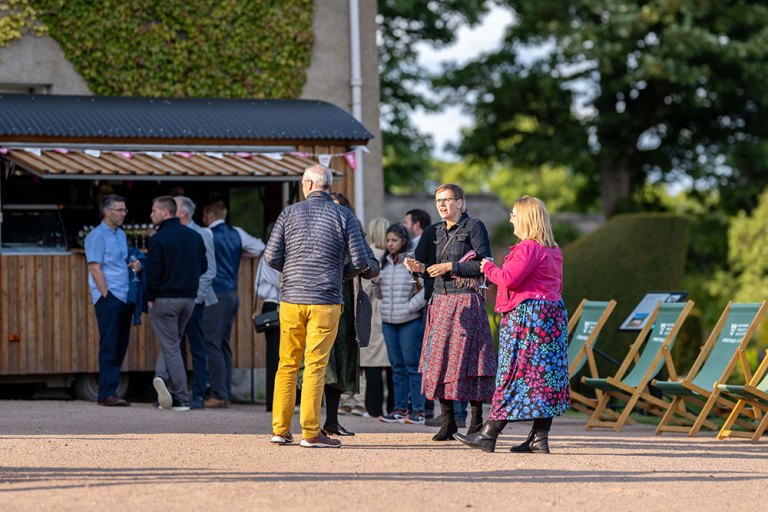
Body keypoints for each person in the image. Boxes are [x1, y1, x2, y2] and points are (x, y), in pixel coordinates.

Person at [265, 164, 372, 448]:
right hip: (326, 299)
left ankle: (280, 429)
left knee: (287, 364)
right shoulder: (343, 215)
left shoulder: (288, 213)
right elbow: (361, 262)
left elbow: (270, 257)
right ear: (325, 184)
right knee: (315, 365)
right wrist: (340, 276)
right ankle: (311, 432)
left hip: (291, 299)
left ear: (307, 184)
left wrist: (292, 271)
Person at [454, 196, 569, 454]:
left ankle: (489, 433)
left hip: (528, 317)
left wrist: (486, 266)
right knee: (545, 377)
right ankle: (539, 438)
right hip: (552, 315)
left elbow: (509, 279)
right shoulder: (553, 249)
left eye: (514, 215)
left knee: (514, 373)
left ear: (526, 219)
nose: (511, 219)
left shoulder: (528, 248)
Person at [405, 184, 496, 441]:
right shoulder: (432, 231)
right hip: (440, 301)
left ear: (460, 202)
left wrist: (450, 266)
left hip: (467, 301)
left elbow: (483, 264)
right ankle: (448, 423)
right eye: (437, 200)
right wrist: (415, 266)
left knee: (470, 362)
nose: (441, 205)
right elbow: (422, 265)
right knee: (439, 361)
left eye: (446, 200)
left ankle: (476, 421)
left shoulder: (474, 226)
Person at [297, 191, 379, 437]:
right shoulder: (310, 231)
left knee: (338, 363)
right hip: (313, 301)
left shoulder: (354, 232)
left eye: (338, 208)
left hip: (344, 306)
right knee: (314, 362)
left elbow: (372, 265)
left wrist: (351, 269)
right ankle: (308, 423)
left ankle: (331, 420)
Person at [146, 196, 207, 411]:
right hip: (189, 300)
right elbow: (204, 266)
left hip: (164, 299)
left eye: (153, 210)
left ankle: (181, 396)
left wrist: (149, 297)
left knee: (171, 345)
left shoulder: (157, 239)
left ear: (164, 213)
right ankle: (161, 377)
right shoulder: (194, 236)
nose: (151, 214)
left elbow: (153, 273)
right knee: (172, 340)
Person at [202, 200, 265, 408]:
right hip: (232, 293)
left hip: (215, 294)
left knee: (212, 343)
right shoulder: (237, 232)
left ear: (209, 216)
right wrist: (240, 253)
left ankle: (218, 393)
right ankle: (224, 391)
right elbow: (260, 247)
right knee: (224, 344)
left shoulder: (207, 234)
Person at [85, 194, 140, 406]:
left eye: (124, 210)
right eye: (120, 210)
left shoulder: (121, 234)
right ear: (107, 212)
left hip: (125, 295)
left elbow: (119, 263)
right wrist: (106, 294)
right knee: (109, 344)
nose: (124, 213)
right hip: (110, 297)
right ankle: (106, 393)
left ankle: (111, 391)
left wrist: (135, 266)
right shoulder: (96, 236)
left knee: (120, 345)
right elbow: (94, 267)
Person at [372, 223, 427, 425]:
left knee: (413, 366)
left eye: (394, 240)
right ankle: (399, 408)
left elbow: (426, 289)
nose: (390, 244)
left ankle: (419, 411)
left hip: (409, 322)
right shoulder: (384, 263)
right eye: (388, 240)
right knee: (396, 367)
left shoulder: (411, 262)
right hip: (389, 322)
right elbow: (379, 295)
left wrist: (411, 307)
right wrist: (375, 283)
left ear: (404, 241)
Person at [175, 196, 218, 410]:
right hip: (177, 298)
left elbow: (210, 270)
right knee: (177, 346)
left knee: (198, 347)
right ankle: (180, 392)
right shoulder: (173, 233)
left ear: (183, 212)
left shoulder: (203, 233)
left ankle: (199, 393)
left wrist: (196, 297)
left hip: (195, 299)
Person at [359, 217, 394, 418]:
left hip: (372, 314)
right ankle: (393, 408)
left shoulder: (368, 257)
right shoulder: (393, 258)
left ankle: (373, 409)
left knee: (372, 365)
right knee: (392, 366)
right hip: (392, 313)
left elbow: (365, 288)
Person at [255, 222, 281, 412]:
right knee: (275, 355)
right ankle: (274, 401)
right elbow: (281, 282)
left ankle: (280, 400)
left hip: (273, 304)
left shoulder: (270, 255)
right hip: (275, 304)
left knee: (280, 355)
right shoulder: (271, 256)